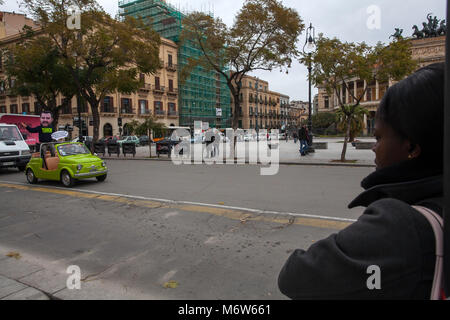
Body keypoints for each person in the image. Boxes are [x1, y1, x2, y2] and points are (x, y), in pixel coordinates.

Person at [278, 63, 445, 299]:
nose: (374, 147)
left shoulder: (401, 225)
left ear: (412, 146)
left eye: (379, 137)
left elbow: (295, 276)